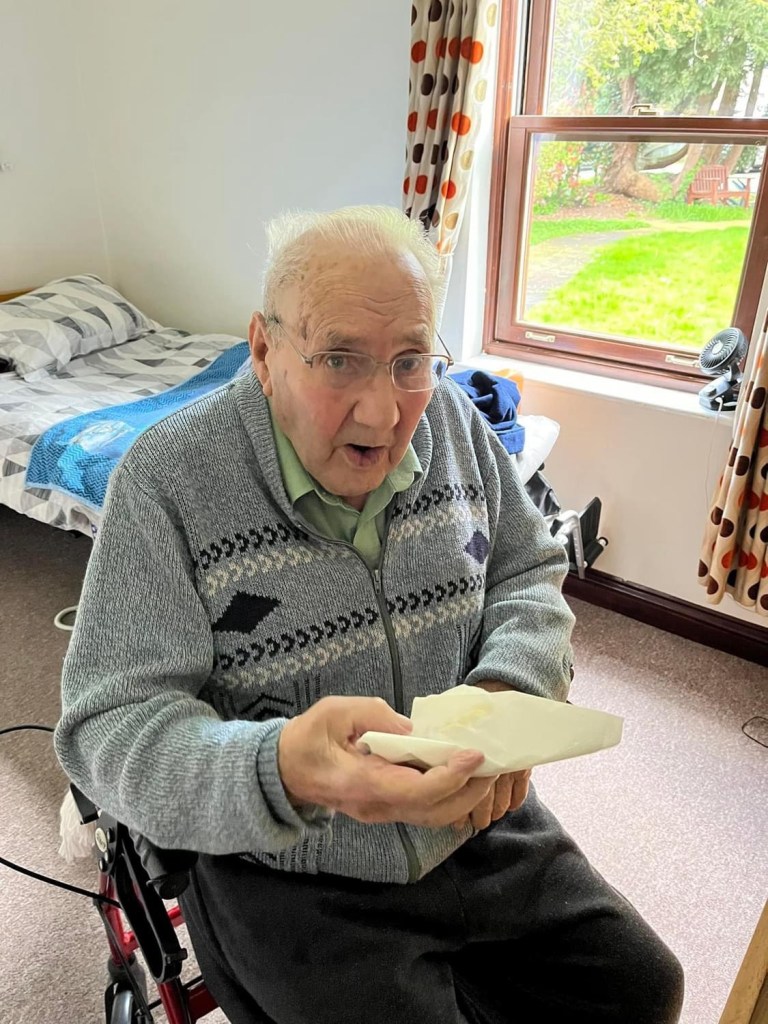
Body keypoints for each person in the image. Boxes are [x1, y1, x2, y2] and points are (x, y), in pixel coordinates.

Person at [55, 206, 683, 1024]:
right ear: (264, 350)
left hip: (476, 825)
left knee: (643, 989)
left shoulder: (453, 419)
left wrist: (510, 689)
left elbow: (527, 570)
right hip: (289, 865)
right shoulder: (167, 480)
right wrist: (282, 769)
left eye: (410, 361)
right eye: (340, 359)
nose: (384, 414)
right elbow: (107, 727)